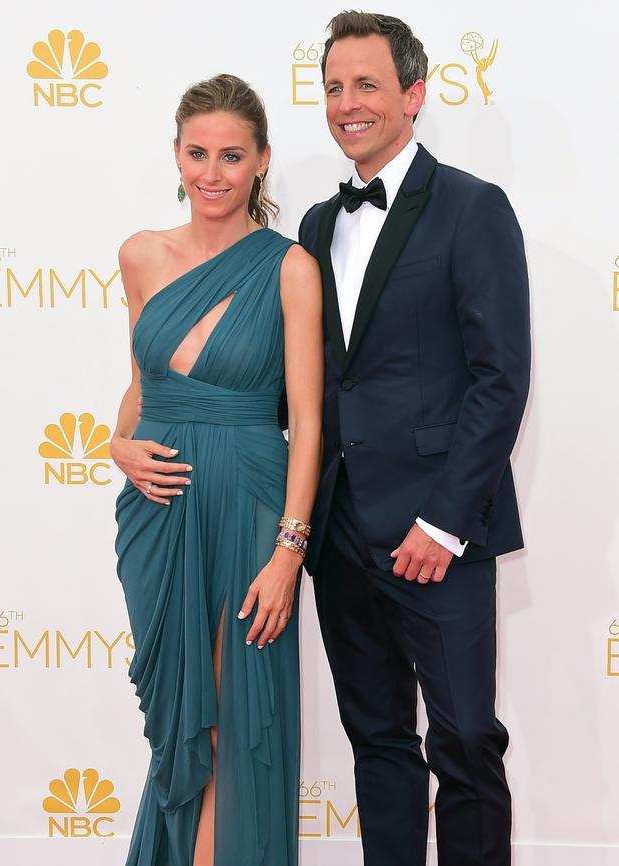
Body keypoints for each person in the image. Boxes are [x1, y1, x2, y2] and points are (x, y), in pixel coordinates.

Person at [298, 12, 530, 866]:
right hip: (343, 532)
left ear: (413, 94)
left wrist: (443, 522)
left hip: (438, 532)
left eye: (365, 84)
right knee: (380, 746)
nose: (347, 103)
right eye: (332, 87)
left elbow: (500, 377)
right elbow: (323, 381)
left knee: (466, 742)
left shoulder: (473, 207)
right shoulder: (317, 226)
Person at [111, 73, 323, 866]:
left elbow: (306, 422)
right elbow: (141, 386)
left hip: (248, 501)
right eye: (198, 153)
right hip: (158, 506)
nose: (212, 172)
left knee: (236, 715)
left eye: (232, 156)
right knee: (181, 719)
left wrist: (289, 551)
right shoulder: (140, 256)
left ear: (261, 161)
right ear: (175, 154)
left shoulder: (290, 268)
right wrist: (114, 444)